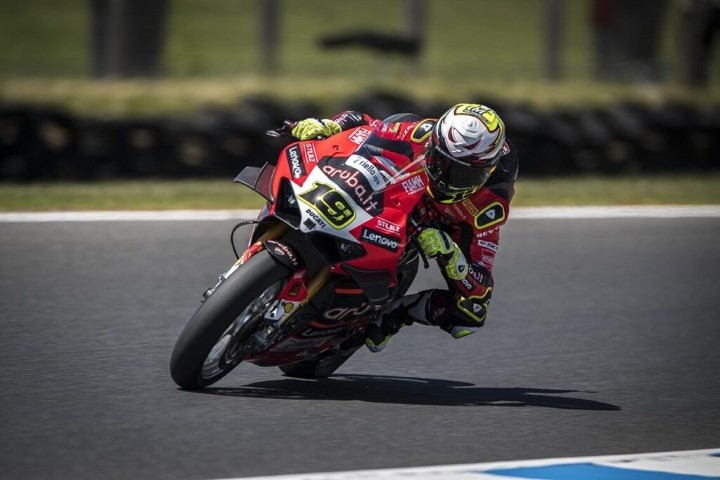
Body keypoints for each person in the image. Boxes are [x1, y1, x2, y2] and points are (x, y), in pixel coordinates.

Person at [290, 104, 519, 352]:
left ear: (487, 172)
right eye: (441, 160)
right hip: (397, 195)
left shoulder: (490, 204)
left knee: (471, 314)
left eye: (462, 174)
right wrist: (331, 125)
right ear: (435, 143)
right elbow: (367, 124)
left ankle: (398, 313)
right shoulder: (424, 132)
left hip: (438, 228)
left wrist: (452, 256)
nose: (445, 176)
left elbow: (481, 286)